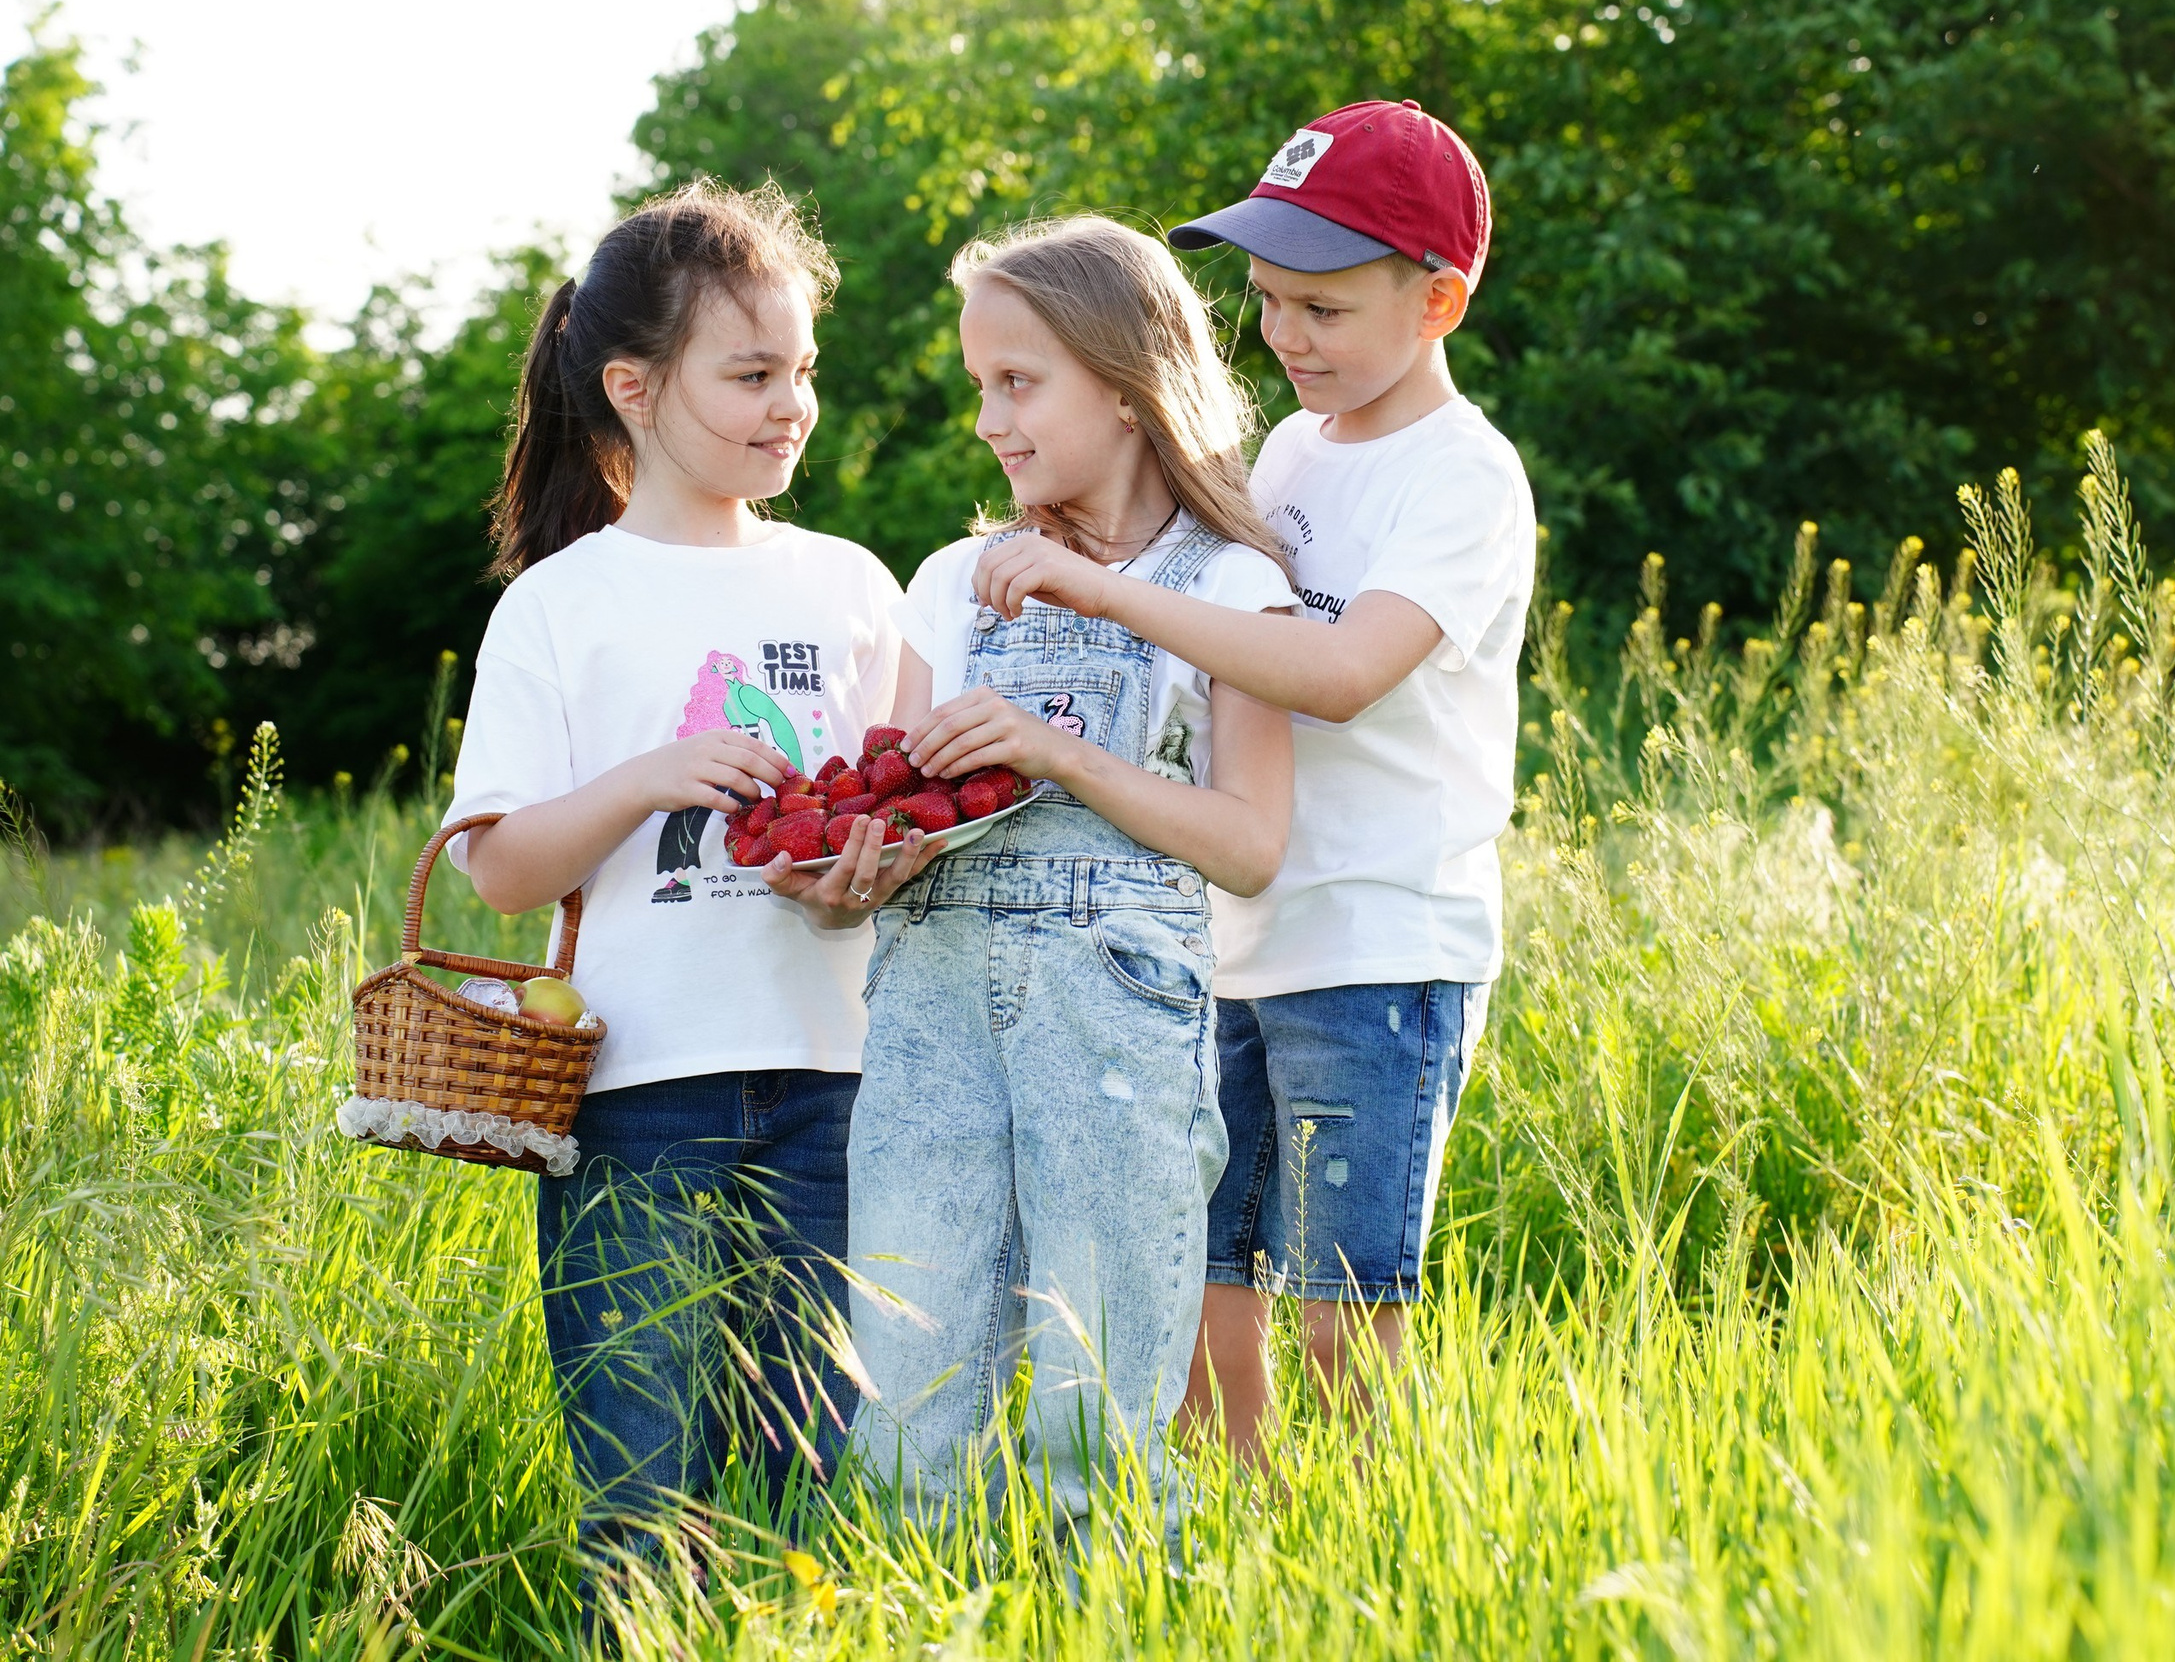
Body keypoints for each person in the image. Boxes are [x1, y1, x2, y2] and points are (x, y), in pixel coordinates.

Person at [968, 101, 1537, 1466]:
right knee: (1209, 1297)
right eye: (1269, 300)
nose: (1284, 336)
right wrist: (1081, 526)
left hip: (1381, 946)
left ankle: (1369, 1550)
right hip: (1236, 938)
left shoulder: (1464, 478)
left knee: (1346, 1312)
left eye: (1325, 309)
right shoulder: (1289, 451)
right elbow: (1189, 574)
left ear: (1439, 301)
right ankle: (1245, 1552)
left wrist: (1098, 588)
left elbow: (1335, 674)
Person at [775, 214, 1296, 1542]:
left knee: (1096, 1412)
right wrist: (841, 869)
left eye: (1020, 382)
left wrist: (1055, 750)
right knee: (905, 1396)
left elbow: (1248, 843)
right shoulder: (949, 584)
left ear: (1124, 384)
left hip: (1115, 1011)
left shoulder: (1228, 586)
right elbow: (880, 830)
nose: (991, 421)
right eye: (980, 387)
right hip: (930, 1006)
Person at [443, 182, 924, 1568]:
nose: (793, 406)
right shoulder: (560, 606)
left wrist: (859, 876)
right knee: (645, 1490)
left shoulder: (847, 584)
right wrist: (650, 776)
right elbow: (501, 869)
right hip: (633, 1100)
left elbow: (879, 811)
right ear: (636, 388)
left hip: (834, 1085)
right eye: (753, 374)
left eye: (804, 372)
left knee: (805, 1479)